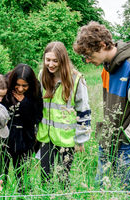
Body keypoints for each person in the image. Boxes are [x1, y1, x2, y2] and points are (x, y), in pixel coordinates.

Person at [73, 21, 130, 190]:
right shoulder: (107, 68)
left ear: (103, 45)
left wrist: (128, 137)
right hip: (108, 136)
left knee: (124, 190)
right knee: (100, 187)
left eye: (88, 55)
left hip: (129, 141)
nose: (87, 60)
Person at [37, 41, 91, 186]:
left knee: (63, 179)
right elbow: (38, 106)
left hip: (67, 139)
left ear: (63, 60)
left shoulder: (76, 79)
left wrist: (80, 140)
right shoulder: (42, 75)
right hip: (46, 137)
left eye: (55, 60)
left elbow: (84, 110)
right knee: (45, 179)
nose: (51, 64)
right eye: (48, 60)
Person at [1, 63, 43, 190]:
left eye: (24, 86)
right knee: (1, 174)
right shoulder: (4, 83)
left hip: (26, 136)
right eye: (17, 85)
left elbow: (37, 115)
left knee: (23, 176)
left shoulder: (36, 89)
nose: (20, 89)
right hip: (5, 136)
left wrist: (24, 102)